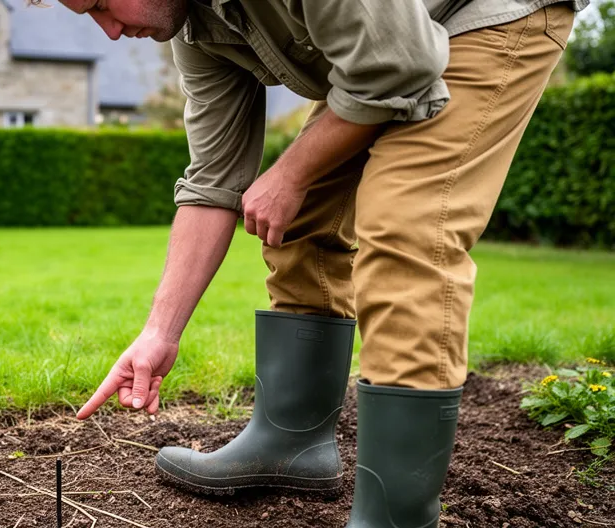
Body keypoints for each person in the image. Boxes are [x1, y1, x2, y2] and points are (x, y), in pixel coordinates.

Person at [59, 0, 588, 525]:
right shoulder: (195, 27)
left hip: (488, 13)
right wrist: (159, 333)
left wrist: (289, 175)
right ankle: (290, 442)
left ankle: (393, 518)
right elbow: (212, 183)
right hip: (392, 40)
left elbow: (399, 66)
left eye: (103, 4)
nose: (107, 31)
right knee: (303, 215)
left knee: (406, 226)